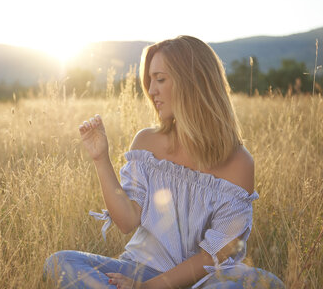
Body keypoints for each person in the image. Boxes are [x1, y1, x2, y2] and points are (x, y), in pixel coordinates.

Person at [43, 36, 284, 288]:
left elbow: (214, 255)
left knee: (262, 282)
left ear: (192, 82)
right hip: (138, 269)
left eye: (160, 79)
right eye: (150, 80)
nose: (151, 90)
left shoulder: (239, 163)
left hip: (199, 282)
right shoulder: (147, 142)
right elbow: (126, 222)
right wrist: (100, 159)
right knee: (60, 262)